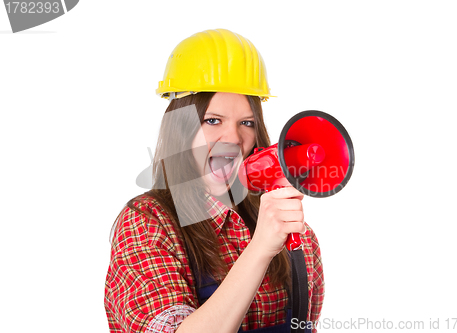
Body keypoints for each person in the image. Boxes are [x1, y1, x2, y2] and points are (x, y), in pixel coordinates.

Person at [104, 28, 324, 333]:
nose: (233, 138)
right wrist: (260, 248)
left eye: (247, 122)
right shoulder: (146, 223)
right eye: (212, 120)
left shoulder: (296, 235)